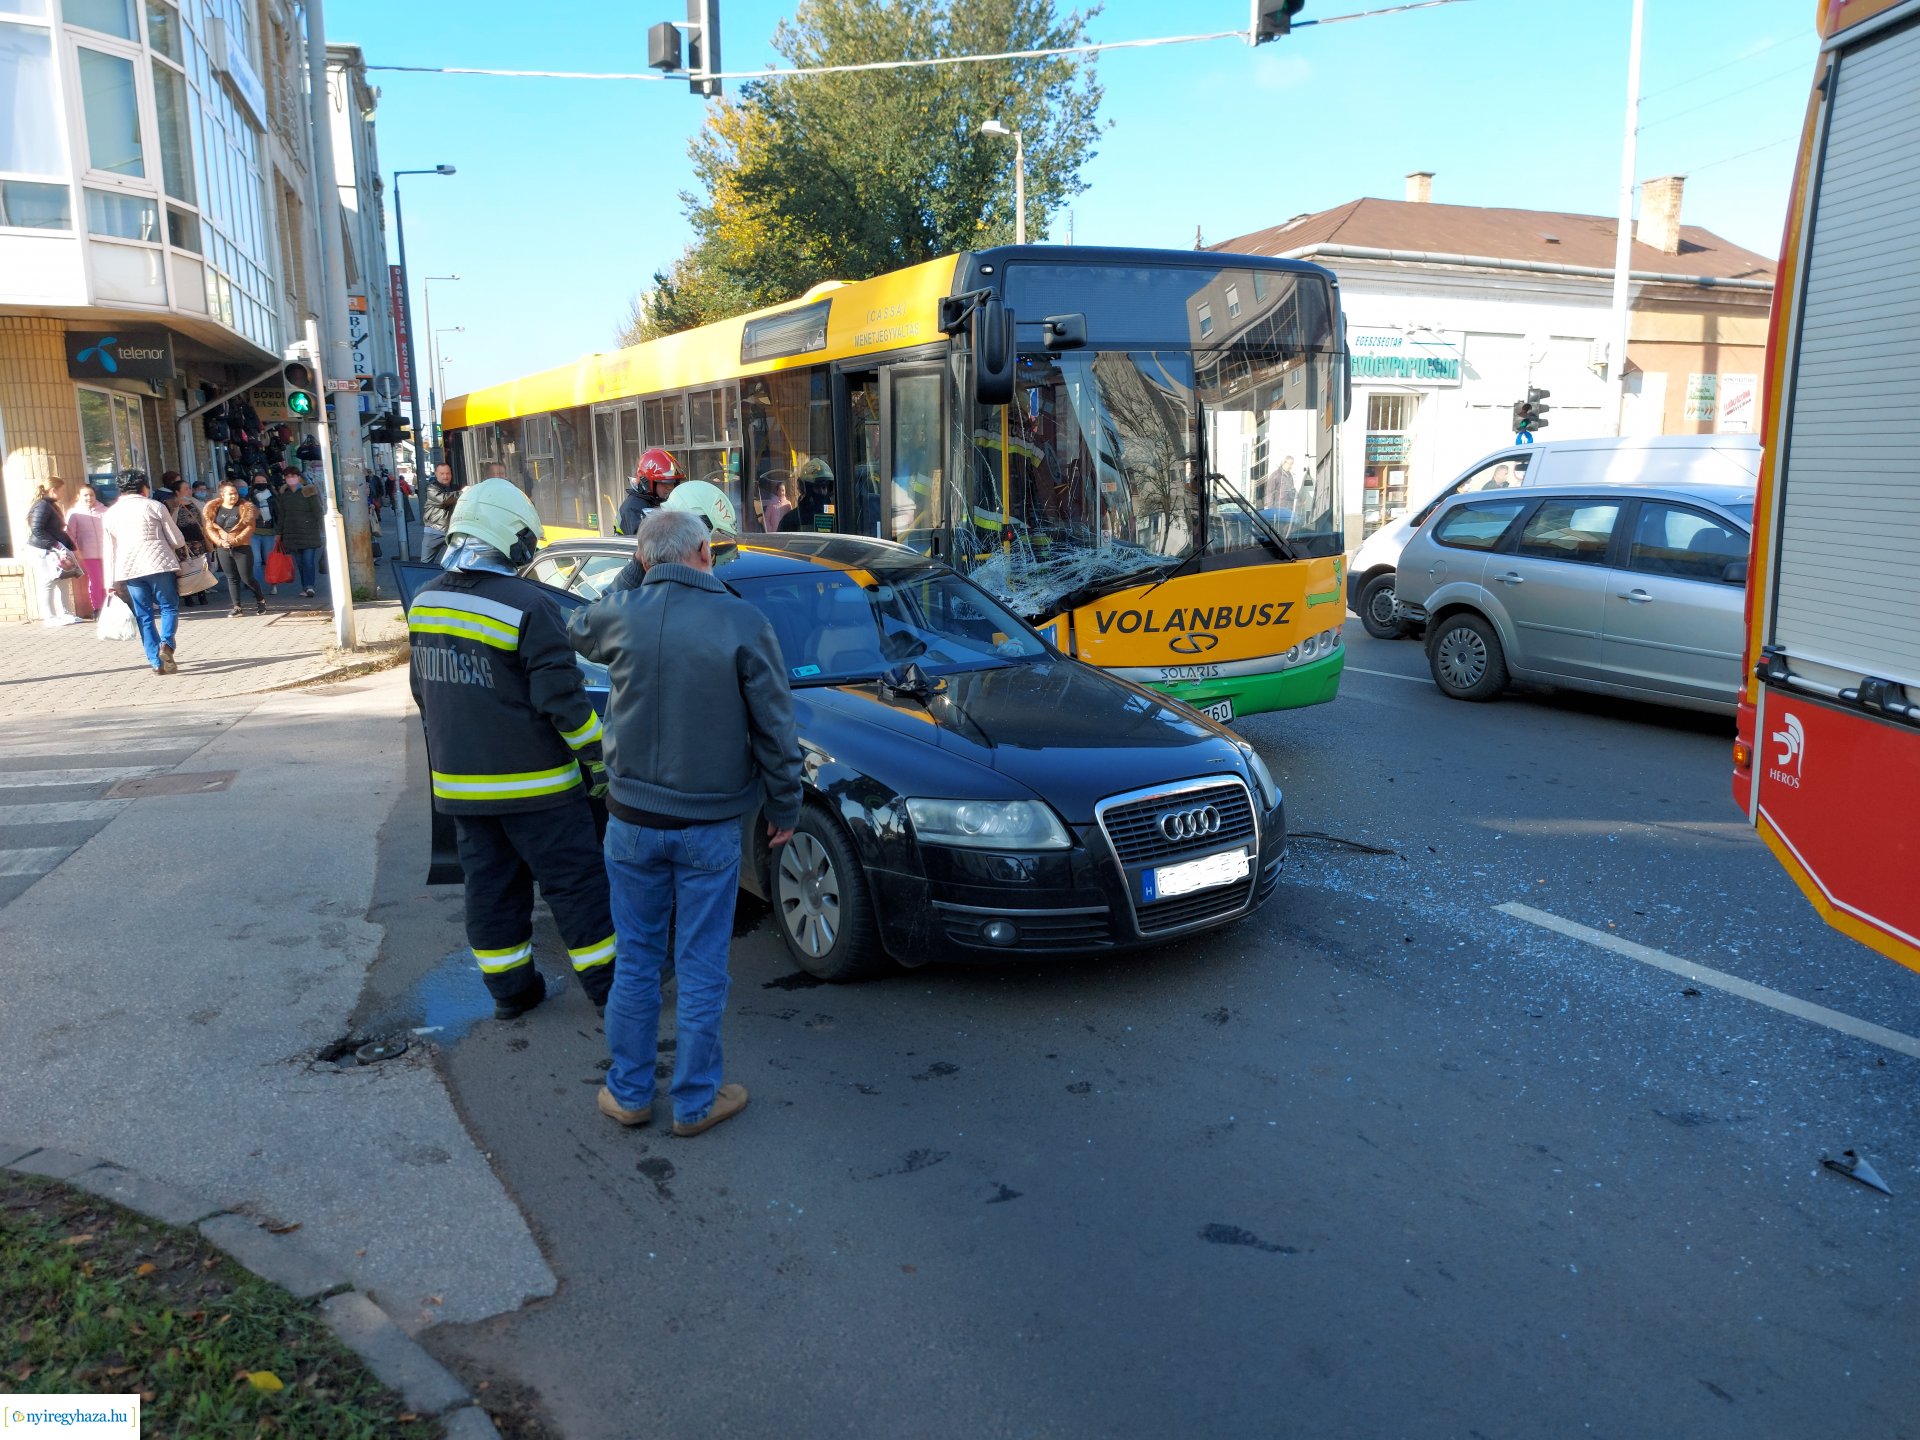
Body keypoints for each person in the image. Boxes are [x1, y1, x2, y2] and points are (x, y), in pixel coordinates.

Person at [569, 508, 801, 1138]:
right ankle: (696, 1101)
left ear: (644, 560)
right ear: (704, 552)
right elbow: (775, 727)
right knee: (701, 965)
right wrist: (784, 805)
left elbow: (577, 628)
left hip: (630, 821)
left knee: (637, 960)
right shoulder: (742, 621)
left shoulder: (621, 613)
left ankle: (629, 1093)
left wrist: (634, 570)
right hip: (708, 825)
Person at [407, 478, 617, 1020]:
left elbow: (423, 692)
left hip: (461, 790)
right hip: (539, 789)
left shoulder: (426, 601)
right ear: (506, 533)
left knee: (491, 892)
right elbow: (562, 701)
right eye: (527, 538)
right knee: (577, 890)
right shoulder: (530, 604)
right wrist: (601, 755)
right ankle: (613, 994)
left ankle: (511, 995)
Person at [102, 470, 186, 675]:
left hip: (130, 570)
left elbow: (109, 550)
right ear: (144, 487)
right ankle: (166, 644)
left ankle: (155, 662)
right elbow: (177, 540)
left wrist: (109, 581)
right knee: (168, 606)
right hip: (159, 565)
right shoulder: (154, 506)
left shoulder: (110, 513)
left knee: (143, 614)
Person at [203, 479, 268, 616]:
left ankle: (261, 600)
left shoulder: (244, 507)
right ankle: (237, 607)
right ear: (222, 495)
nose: (234, 496)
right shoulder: (214, 508)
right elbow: (209, 528)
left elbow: (250, 527)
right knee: (231, 578)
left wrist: (235, 540)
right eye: (230, 494)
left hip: (242, 547)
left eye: (235, 493)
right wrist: (220, 542)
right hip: (223, 548)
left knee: (247, 578)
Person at [26, 477, 83, 626]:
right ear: (53, 490)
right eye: (62, 490)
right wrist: (56, 545)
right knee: (48, 582)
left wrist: (71, 547)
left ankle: (65, 614)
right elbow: (37, 529)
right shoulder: (42, 506)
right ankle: (50, 617)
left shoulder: (50, 505)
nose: (64, 493)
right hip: (42, 550)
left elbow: (58, 531)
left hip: (52, 549)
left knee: (62, 580)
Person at [163, 482, 214, 608]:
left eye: (189, 488)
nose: (189, 491)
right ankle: (188, 596)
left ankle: (202, 594)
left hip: (198, 541)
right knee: (185, 569)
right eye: (186, 489)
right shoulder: (169, 504)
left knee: (201, 568)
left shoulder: (195, 502)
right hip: (182, 543)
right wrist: (175, 507)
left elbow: (204, 519)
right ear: (177, 491)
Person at [278, 469, 325, 598]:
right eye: (287, 476)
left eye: (293, 475)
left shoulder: (308, 492)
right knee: (300, 564)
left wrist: (324, 529)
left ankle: (310, 586)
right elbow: (282, 516)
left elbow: (318, 512)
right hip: (292, 535)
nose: (290, 478)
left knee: (308, 561)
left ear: (299, 477)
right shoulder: (285, 495)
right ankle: (305, 587)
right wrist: (279, 533)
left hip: (309, 533)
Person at [65, 483, 108, 614]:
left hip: (106, 553)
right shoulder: (74, 513)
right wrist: (77, 552)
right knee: (96, 581)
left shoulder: (105, 511)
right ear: (79, 496)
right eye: (85, 495)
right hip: (87, 554)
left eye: (91, 495)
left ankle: (107, 607)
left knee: (106, 581)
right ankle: (98, 608)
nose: (89, 498)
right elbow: (70, 535)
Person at [779, 458, 836, 533]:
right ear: (804, 488)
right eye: (817, 487)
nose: (822, 492)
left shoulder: (837, 517)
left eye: (824, 487)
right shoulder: (791, 520)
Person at [420, 461, 462, 562]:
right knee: (425, 563)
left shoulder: (455, 488)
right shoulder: (431, 488)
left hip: (452, 532)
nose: (445, 476)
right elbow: (443, 500)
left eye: (448, 473)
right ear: (436, 474)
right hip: (434, 530)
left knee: (453, 563)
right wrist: (462, 493)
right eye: (442, 473)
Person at [248, 472, 280, 593]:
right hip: (253, 533)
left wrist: (278, 532)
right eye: (258, 482)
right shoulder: (249, 497)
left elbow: (278, 515)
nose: (260, 484)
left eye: (263, 481)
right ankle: (258, 588)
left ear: (267, 482)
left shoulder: (273, 497)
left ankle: (273, 584)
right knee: (256, 561)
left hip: (270, 532)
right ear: (253, 483)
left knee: (269, 560)